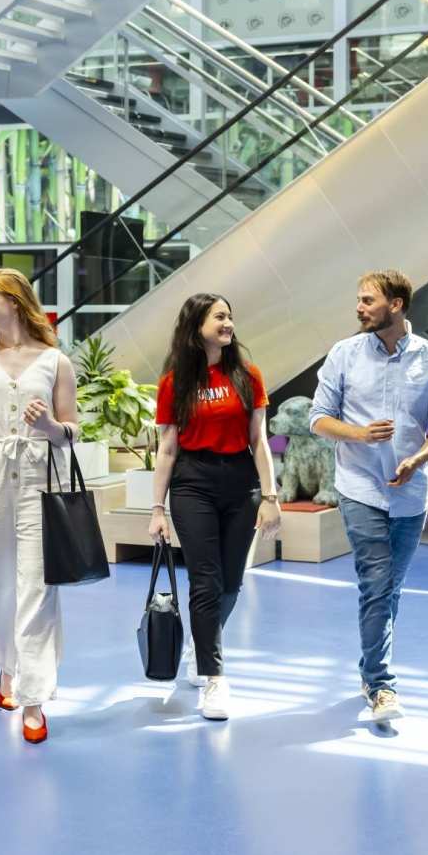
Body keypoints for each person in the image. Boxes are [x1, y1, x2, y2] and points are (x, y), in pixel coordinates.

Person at [310, 270, 428, 721]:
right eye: (358, 300)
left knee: (390, 588)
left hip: (412, 495)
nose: (359, 308)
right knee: (376, 583)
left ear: (395, 305)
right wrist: (359, 433)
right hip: (358, 488)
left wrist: (416, 459)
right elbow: (318, 418)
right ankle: (381, 685)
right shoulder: (344, 355)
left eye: (368, 300)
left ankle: (369, 669)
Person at [0, 268, 78, 744]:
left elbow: (72, 430)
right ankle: (8, 666)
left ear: (16, 301)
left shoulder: (54, 362)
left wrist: (47, 426)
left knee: (37, 584)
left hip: (42, 474)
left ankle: (34, 697)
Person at [148, 293, 281, 720]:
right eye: (219, 316)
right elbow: (167, 449)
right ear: (196, 324)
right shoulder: (174, 382)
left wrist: (271, 497)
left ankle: (202, 642)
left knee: (231, 584)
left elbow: (259, 440)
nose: (228, 323)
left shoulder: (247, 374)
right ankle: (214, 678)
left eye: (230, 317)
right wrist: (156, 507)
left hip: (240, 484)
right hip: (193, 483)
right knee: (205, 582)